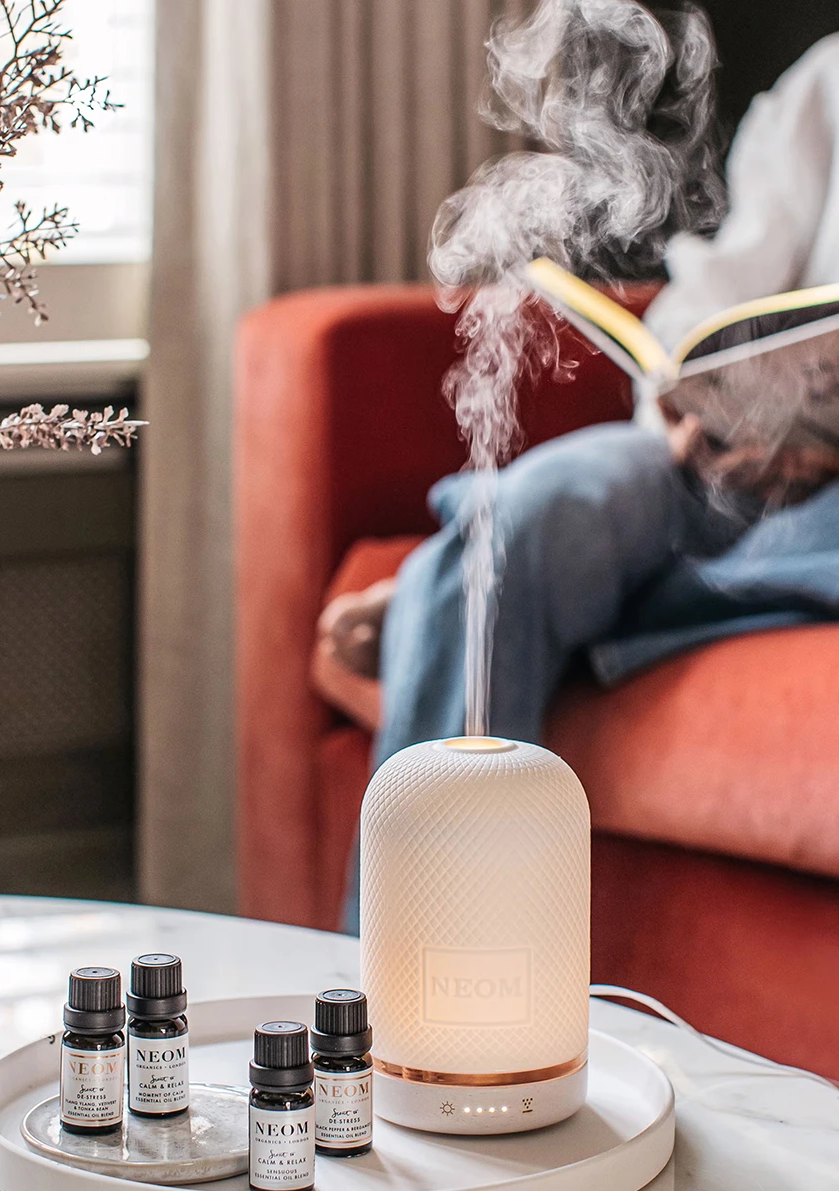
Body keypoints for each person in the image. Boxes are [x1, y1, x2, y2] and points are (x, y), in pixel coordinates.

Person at [320, 33, 839, 926]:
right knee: (529, 513)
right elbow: (722, 289)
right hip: (714, 462)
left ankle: (438, 597)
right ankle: (401, 979)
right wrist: (689, 393)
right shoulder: (828, 82)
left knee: (482, 577)